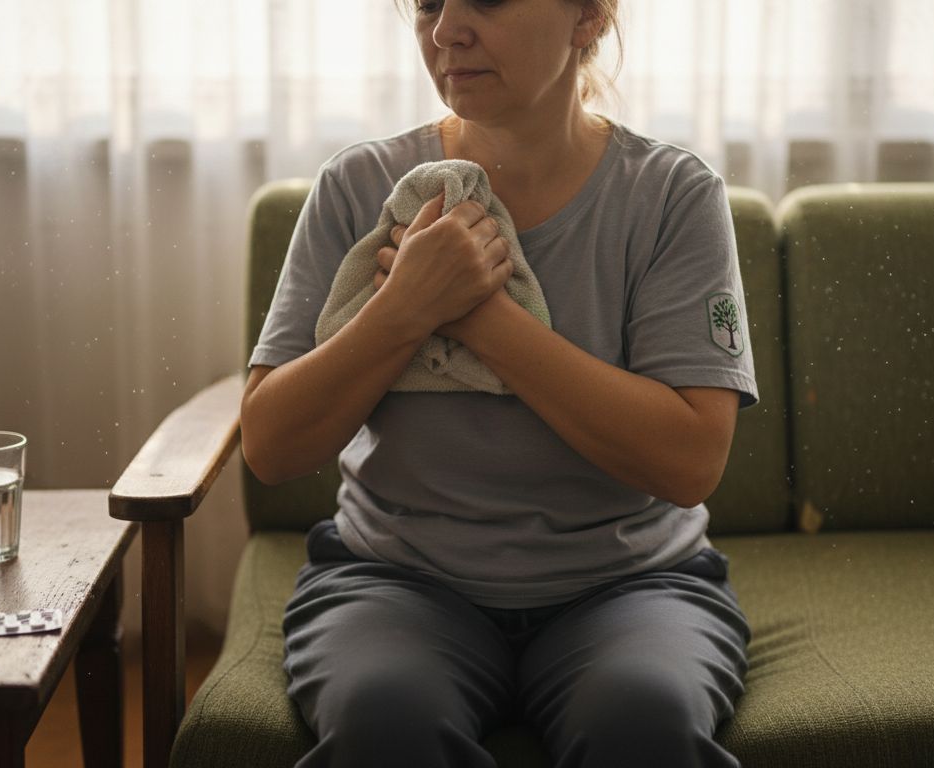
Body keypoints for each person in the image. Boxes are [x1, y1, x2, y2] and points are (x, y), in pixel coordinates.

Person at [240, 1, 757, 766]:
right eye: (426, 4)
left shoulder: (673, 196)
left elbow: (690, 463)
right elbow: (272, 446)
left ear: (587, 18)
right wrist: (402, 310)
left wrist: (484, 316)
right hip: (396, 582)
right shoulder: (361, 186)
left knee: (642, 720)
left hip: (632, 588)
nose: (446, 31)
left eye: (484, 0)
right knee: (385, 723)